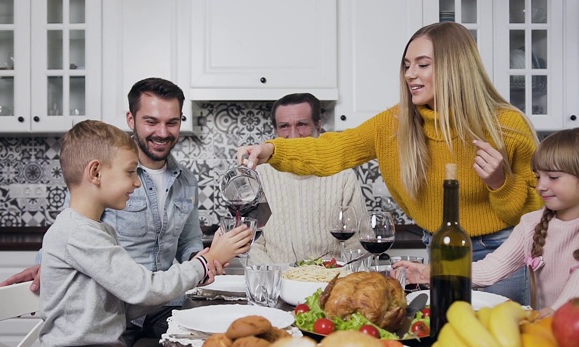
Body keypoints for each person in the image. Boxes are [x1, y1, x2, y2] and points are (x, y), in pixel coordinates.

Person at [236, 22, 543, 305]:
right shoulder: (396, 124)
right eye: (407, 65)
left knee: (502, 340)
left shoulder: (506, 126)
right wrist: (272, 151)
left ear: (455, 67)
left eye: (423, 65)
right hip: (436, 249)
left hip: (501, 251)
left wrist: (501, 184)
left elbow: (539, 216)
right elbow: (335, 149)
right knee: (445, 335)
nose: (410, 74)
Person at [0, 78, 227, 347]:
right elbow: (73, 235)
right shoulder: (104, 177)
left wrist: (202, 261)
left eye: (172, 122)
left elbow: (187, 243)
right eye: (151, 121)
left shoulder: (185, 180)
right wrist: (46, 264)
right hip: (123, 315)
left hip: (150, 306)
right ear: (131, 119)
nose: (162, 132)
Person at [39, 120, 252, 347]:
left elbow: (126, 305)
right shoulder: (78, 233)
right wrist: (204, 263)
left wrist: (198, 273)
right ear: (96, 172)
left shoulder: (97, 230)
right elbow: (144, 288)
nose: (137, 181)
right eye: (130, 171)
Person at [394, 128, 579, 316]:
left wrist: (549, 315)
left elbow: (574, 296)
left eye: (553, 177)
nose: (541, 186)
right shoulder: (532, 223)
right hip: (551, 330)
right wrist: (430, 272)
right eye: (538, 176)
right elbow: (491, 269)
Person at [249, 93, 368, 265]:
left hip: (329, 282)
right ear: (275, 131)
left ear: (318, 127)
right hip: (275, 283)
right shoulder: (260, 176)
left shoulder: (342, 175)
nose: (294, 135)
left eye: (302, 124)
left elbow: (358, 242)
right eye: (284, 126)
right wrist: (279, 277)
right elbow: (253, 243)